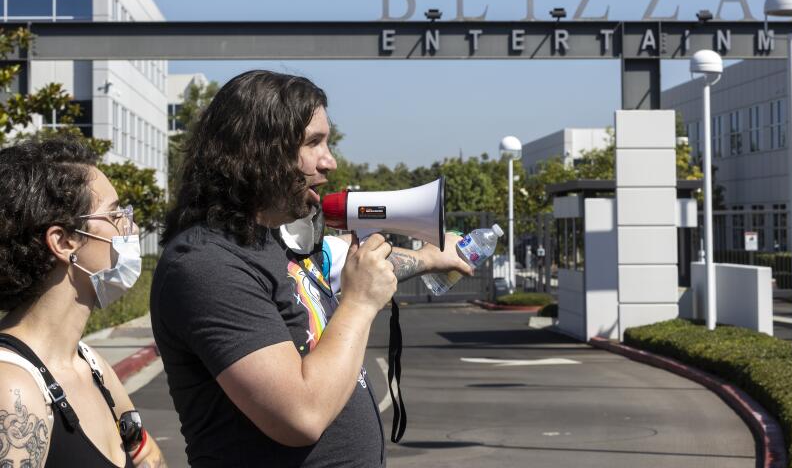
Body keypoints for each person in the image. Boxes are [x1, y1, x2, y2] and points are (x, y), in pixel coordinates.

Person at [152, 70, 471, 467]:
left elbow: (358, 269)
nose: (330, 161)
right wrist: (358, 304)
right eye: (313, 143)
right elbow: (300, 416)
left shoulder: (272, 241)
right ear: (257, 151)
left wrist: (428, 258)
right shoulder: (206, 263)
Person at [0, 137, 167, 468]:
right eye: (115, 215)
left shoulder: (90, 364)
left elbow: (148, 456)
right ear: (63, 242)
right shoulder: (12, 387)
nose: (130, 227)